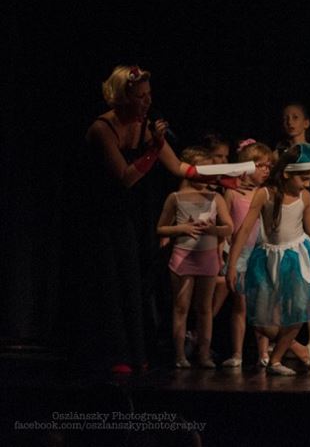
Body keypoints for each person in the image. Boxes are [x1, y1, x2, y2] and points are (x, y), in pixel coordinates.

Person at [79, 64, 228, 374]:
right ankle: (113, 354)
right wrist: (153, 149)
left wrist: (224, 175)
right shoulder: (101, 129)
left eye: (149, 95)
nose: (147, 102)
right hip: (98, 216)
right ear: (121, 97)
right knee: (109, 283)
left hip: (127, 215)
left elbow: (181, 168)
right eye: (140, 96)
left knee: (133, 282)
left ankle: (135, 352)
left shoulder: (143, 126)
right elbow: (125, 177)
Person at [226, 143, 310, 375]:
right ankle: (300, 349)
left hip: (296, 257)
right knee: (261, 320)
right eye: (304, 179)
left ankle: (276, 361)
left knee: (299, 311)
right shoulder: (265, 194)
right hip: (267, 258)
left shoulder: (305, 196)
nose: (307, 184)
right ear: (287, 173)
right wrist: (232, 265)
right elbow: (244, 230)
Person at [156, 146, 234, 368]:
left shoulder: (215, 197)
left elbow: (228, 227)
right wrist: (182, 228)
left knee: (204, 308)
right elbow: (160, 228)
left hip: (207, 258)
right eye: (202, 171)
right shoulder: (176, 197)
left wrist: (212, 229)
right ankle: (180, 355)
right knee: (181, 306)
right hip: (183, 257)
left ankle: (204, 354)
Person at [218, 139, 273, 368]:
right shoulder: (233, 193)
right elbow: (226, 225)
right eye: (261, 166)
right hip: (239, 254)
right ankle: (237, 354)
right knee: (240, 305)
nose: (266, 170)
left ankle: (264, 353)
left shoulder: (265, 194)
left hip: (260, 254)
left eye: (269, 166)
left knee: (262, 306)